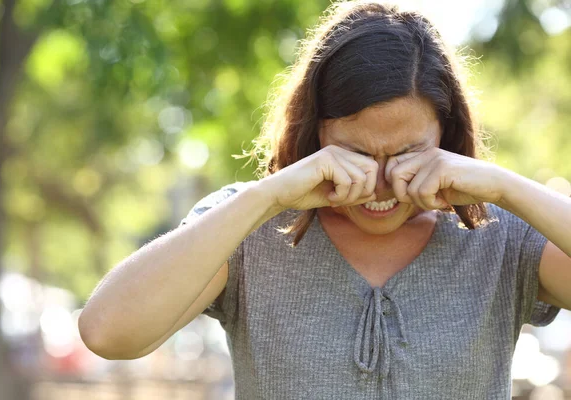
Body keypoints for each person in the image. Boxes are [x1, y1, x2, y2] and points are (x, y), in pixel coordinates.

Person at [78, 1, 571, 398]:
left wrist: (507, 187)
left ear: (446, 133)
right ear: (316, 134)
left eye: (408, 153)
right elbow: (107, 333)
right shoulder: (246, 228)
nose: (381, 183)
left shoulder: (501, 233)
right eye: (355, 153)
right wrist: (268, 196)